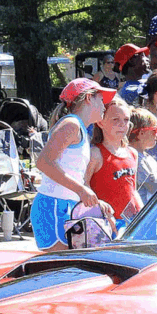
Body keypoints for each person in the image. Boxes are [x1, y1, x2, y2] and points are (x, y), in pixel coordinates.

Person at [31, 78, 111, 250]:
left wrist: (93, 200)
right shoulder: (71, 124)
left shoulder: (79, 127)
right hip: (53, 206)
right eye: (101, 98)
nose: (105, 105)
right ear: (89, 98)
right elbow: (44, 162)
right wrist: (82, 190)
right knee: (60, 268)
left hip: (63, 205)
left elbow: (70, 171)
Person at [85, 99, 142, 227]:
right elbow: (84, 186)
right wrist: (98, 206)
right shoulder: (95, 154)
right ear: (100, 122)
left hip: (131, 223)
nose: (122, 124)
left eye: (126, 120)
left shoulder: (132, 153)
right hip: (105, 223)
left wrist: (143, 214)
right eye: (115, 120)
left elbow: (133, 189)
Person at [129, 108, 157, 202]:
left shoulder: (146, 156)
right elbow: (155, 187)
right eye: (154, 130)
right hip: (144, 213)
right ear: (141, 133)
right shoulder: (136, 159)